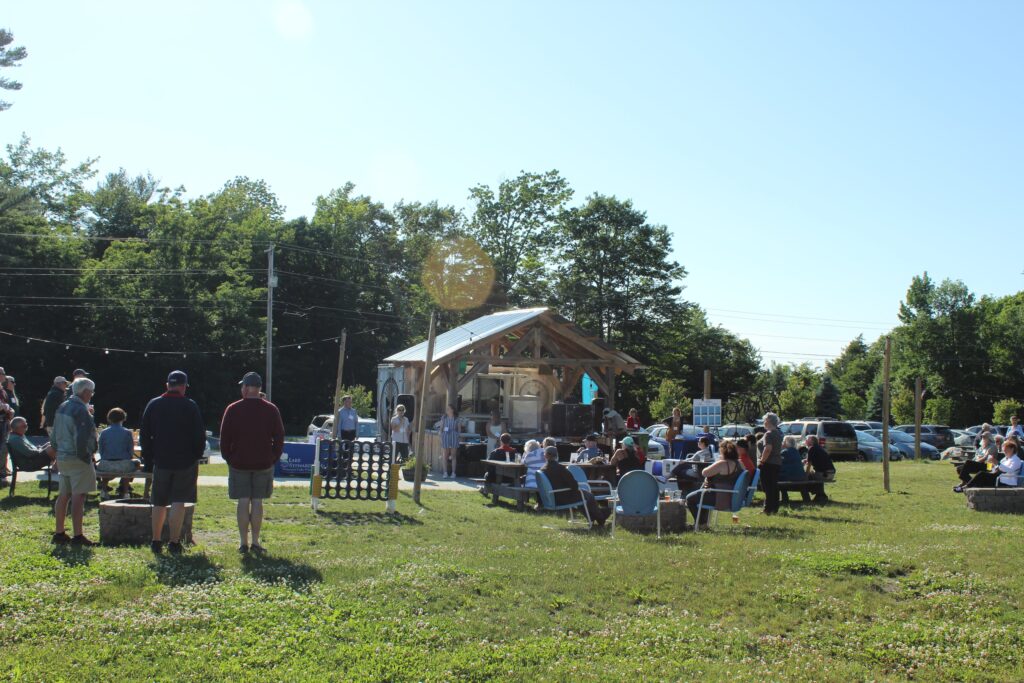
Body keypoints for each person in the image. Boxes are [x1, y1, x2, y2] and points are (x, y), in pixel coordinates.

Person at [140, 370, 206, 555]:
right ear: (184, 386)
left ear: (167, 385)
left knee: (159, 501)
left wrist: (149, 458)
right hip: (185, 461)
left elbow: (145, 434)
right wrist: (196, 454)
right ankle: (174, 541)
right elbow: (199, 435)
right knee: (179, 501)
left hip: (161, 460)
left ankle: (155, 540)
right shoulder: (190, 406)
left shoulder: (154, 404)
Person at [219, 372, 285, 554]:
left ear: (247, 388)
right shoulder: (271, 410)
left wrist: (229, 458)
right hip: (263, 463)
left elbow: (224, 439)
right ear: (259, 389)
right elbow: (279, 438)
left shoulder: (232, 409)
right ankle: (255, 541)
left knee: (242, 501)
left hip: (239, 463)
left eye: (242, 386)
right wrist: (273, 457)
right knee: (257, 502)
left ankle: (243, 542)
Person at [50, 377, 98, 546]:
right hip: (77, 458)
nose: (91, 395)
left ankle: (59, 532)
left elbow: (54, 435)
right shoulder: (80, 410)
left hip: (63, 456)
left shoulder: (62, 406)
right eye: (91, 391)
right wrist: (86, 456)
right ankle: (78, 535)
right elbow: (82, 438)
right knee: (79, 496)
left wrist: (57, 454)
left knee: (64, 495)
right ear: (84, 392)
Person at [539, 446, 610, 525]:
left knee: (582, 497)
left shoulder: (542, 469)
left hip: (553, 497)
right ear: (556, 455)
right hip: (563, 497)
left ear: (545, 456)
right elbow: (574, 485)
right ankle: (601, 517)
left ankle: (595, 517)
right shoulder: (560, 468)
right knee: (588, 496)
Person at [686, 439, 743, 529]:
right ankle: (703, 523)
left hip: (720, 497)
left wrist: (718, 461)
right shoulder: (739, 464)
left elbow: (704, 473)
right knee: (702, 495)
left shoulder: (722, 463)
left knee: (690, 498)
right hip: (732, 496)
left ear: (722, 451)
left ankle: (701, 524)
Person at [97, 407, 141, 498]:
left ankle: (104, 490)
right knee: (135, 463)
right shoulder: (127, 433)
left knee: (104, 463)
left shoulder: (104, 433)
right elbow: (131, 451)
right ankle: (125, 491)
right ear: (123, 418)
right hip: (124, 464)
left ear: (109, 418)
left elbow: (101, 450)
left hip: (106, 465)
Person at [955, 440, 1022, 491]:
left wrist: (996, 463)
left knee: (981, 474)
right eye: (1003, 450)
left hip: (1004, 481)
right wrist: (992, 464)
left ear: (1012, 449)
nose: (1004, 452)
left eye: (1005, 450)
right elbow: (997, 468)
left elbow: (1008, 470)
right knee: (968, 464)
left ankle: (966, 487)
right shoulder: (1005, 459)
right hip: (995, 474)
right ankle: (967, 484)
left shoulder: (1016, 460)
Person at [757, 412, 783, 515]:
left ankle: (767, 509)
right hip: (777, 462)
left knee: (767, 487)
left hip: (768, 463)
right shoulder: (778, 433)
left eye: (764, 420)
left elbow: (768, 448)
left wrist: (762, 461)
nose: (763, 422)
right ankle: (774, 508)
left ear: (768, 421)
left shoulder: (768, 434)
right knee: (774, 486)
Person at [804, 435, 834, 503]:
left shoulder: (811, 448)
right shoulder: (820, 448)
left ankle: (819, 494)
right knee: (814, 474)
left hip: (824, 474)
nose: (805, 441)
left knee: (809, 475)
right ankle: (820, 494)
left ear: (811, 441)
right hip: (831, 473)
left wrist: (805, 476)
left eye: (807, 440)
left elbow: (809, 465)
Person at [434, 404, 461, 478]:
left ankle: (453, 473)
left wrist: (457, 435)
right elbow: (441, 428)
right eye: (447, 409)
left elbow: (459, 429)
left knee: (453, 456)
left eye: (448, 409)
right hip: (445, 437)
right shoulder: (444, 418)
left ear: (452, 410)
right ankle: (445, 472)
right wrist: (441, 434)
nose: (447, 410)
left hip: (453, 437)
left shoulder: (457, 418)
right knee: (445, 455)